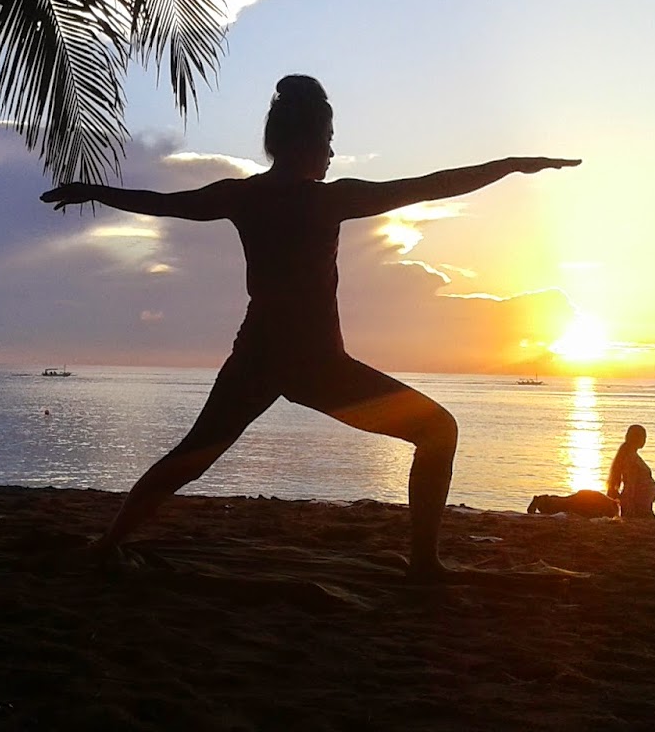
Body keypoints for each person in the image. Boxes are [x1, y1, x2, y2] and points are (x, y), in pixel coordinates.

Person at [40, 74, 580, 577]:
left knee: (191, 456)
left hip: (260, 357)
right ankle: (424, 564)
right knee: (438, 431)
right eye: (327, 138)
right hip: (316, 366)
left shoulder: (246, 196)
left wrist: (95, 191)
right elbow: (431, 185)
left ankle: (108, 544)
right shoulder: (328, 199)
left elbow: (162, 203)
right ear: (302, 142)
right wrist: (508, 164)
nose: (331, 150)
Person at [606, 424, 655, 520]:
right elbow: (630, 483)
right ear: (637, 438)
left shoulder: (631, 455)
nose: (645, 440)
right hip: (638, 504)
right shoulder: (631, 459)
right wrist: (630, 505)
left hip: (643, 503)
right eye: (644, 437)